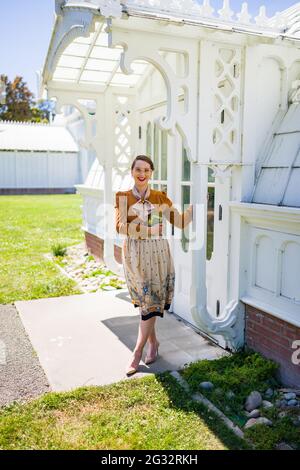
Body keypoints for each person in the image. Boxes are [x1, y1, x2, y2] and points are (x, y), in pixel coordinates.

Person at [114, 155, 193, 376]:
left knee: (150, 304)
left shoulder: (160, 197)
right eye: (138, 169)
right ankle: (154, 343)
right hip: (134, 254)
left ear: (151, 173)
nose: (142, 174)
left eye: (147, 170)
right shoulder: (123, 197)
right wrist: (147, 230)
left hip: (157, 254)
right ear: (132, 172)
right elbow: (120, 227)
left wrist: (196, 207)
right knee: (144, 303)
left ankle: (137, 352)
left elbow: (179, 222)